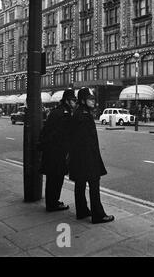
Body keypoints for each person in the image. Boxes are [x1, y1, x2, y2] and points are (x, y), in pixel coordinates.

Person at [68, 88, 115, 224]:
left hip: (78, 157)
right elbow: (85, 141)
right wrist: (93, 159)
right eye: (90, 99)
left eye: (93, 98)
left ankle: (82, 211)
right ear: (83, 100)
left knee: (80, 184)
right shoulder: (84, 115)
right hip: (87, 157)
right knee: (94, 185)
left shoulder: (78, 112)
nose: (93, 101)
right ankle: (98, 215)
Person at [38, 89, 77, 212]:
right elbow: (65, 134)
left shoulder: (56, 111)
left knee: (52, 179)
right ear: (67, 101)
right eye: (73, 100)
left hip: (51, 151)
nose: (75, 103)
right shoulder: (65, 113)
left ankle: (52, 202)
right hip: (57, 152)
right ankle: (53, 204)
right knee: (57, 178)